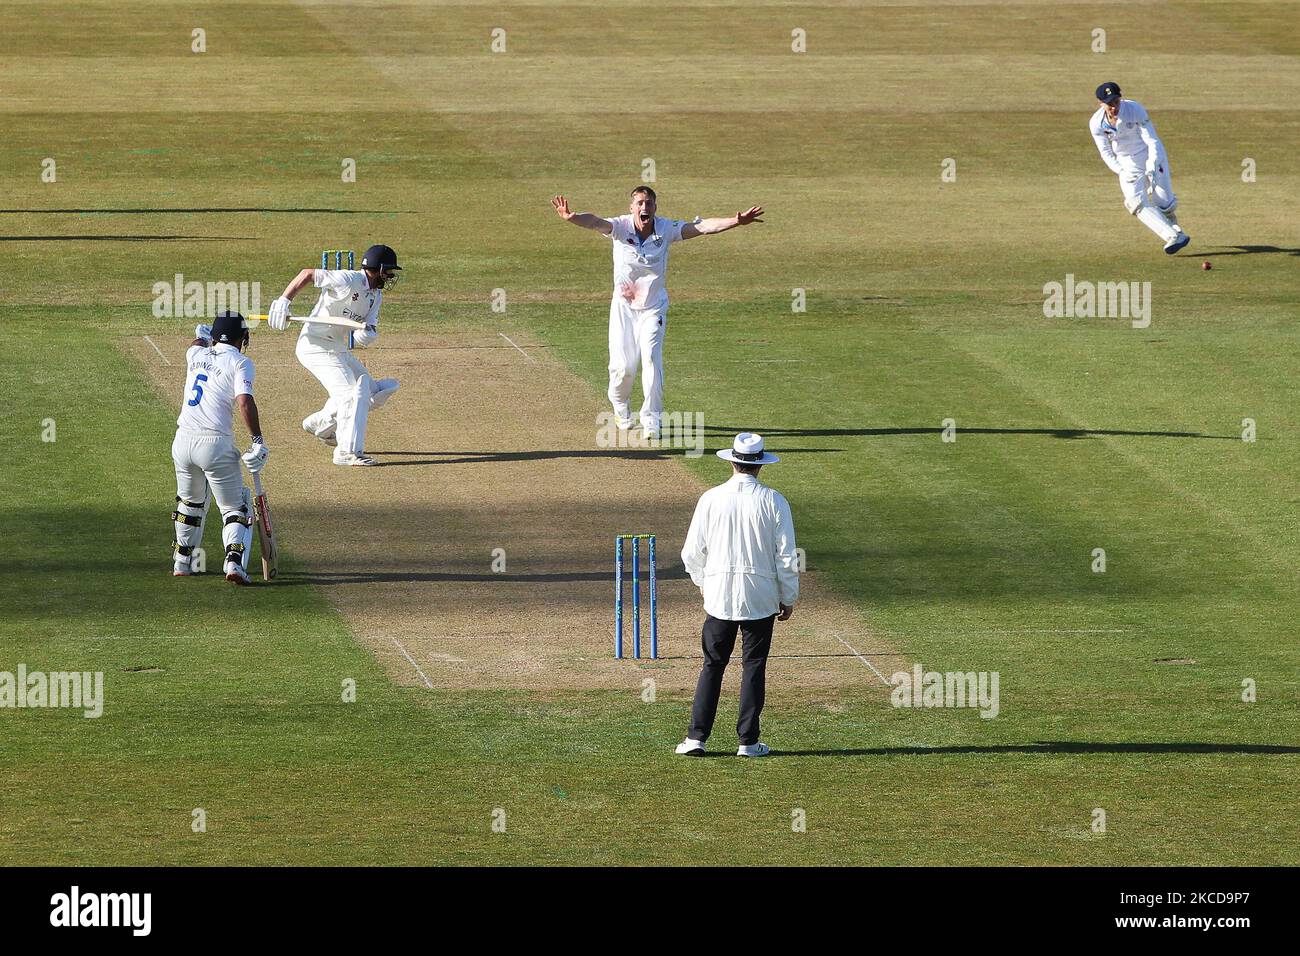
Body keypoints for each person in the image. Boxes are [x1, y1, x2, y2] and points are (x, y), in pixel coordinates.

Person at [550, 188, 763, 439]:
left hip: (653, 308)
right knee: (622, 368)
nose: (644, 208)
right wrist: (572, 217)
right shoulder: (620, 227)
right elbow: (595, 222)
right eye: (639, 203)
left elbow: (703, 227)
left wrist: (735, 221)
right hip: (624, 308)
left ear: (654, 208)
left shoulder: (665, 229)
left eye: (649, 204)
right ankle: (621, 407)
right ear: (632, 208)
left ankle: (652, 418)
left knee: (651, 357)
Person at [676, 433, 799, 757]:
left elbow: (691, 553)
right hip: (759, 597)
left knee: (712, 665)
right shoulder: (774, 501)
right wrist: (788, 597)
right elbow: (787, 557)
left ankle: (696, 739)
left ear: (732, 462)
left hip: (720, 596)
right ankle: (747, 742)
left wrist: (704, 582)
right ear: (759, 465)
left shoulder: (711, 498)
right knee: (754, 666)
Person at [265, 244, 403, 466]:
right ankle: (346, 452)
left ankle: (321, 423)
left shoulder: (375, 297)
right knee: (351, 395)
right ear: (378, 268)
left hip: (337, 349)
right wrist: (284, 301)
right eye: (388, 272)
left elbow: (364, 331)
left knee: (372, 392)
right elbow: (307, 274)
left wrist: (366, 335)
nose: (389, 277)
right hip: (315, 346)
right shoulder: (348, 279)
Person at [170, 311, 268, 585]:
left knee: (189, 504)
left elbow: (195, 346)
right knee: (234, 508)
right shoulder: (241, 362)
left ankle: (182, 562)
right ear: (243, 338)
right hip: (214, 444)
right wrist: (258, 440)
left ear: (213, 337)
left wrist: (200, 338)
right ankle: (234, 564)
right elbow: (245, 402)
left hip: (183, 442)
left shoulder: (196, 356)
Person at [1089, 81, 1191, 254]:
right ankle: (1173, 236)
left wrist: (1152, 164)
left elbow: (1152, 140)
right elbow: (1105, 152)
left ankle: (1171, 221)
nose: (1114, 107)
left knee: (1164, 204)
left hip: (1150, 153)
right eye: (1109, 104)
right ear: (1100, 103)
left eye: (1116, 102)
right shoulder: (1096, 123)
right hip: (1127, 162)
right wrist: (1121, 171)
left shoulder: (1134, 109)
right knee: (1134, 203)